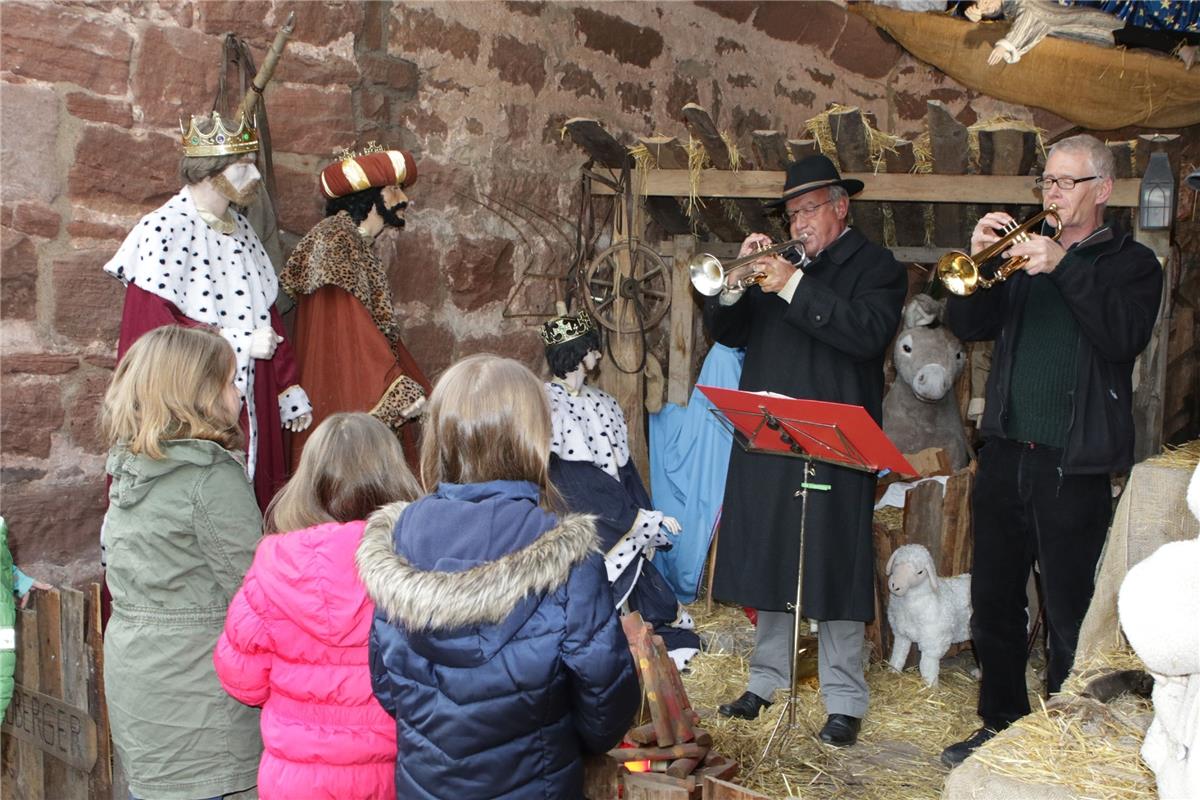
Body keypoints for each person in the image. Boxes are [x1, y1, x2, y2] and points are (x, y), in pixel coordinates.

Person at [940, 133, 1163, 767]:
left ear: (1104, 190)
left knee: (1069, 609)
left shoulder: (1131, 263)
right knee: (994, 603)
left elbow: (1122, 338)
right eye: (1048, 183)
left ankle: (1064, 738)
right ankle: (1001, 725)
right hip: (1008, 451)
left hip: (1075, 462)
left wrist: (1062, 265)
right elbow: (969, 326)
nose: (1053, 194)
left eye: (1067, 183)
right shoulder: (1019, 258)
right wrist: (983, 266)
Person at [357, 354, 640, 798]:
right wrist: (563, 742)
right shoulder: (569, 556)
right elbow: (606, 698)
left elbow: (386, 683)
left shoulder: (399, 540)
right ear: (533, 437)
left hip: (426, 784)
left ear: (442, 437)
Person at [708, 154, 907, 748]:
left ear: (840, 207)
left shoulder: (878, 267)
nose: (797, 224)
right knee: (772, 552)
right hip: (772, 434)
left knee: (835, 563)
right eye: (791, 213)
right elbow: (729, 334)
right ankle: (765, 679)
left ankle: (844, 698)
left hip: (837, 440)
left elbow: (866, 333)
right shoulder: (777, 269)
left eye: (808, 211)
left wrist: (792, 284)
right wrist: (737, 286)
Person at [102, 109, 312, 510]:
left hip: (254, 388)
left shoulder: (243, 230)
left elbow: (266, 312)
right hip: (190, 403)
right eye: (242, 165)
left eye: (252, 163)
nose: (254, 176)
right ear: (207, 171)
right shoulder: (162, 229)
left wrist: (287, 383)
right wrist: (238, 343)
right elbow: (154, 336)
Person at [214, 412, 420, 800]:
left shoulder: (272, 569)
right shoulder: (412, 568)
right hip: (392, 773)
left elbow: (241, 679)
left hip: (296, 781)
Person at [100, 325, 264, 799]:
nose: (240, 392)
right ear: (197, 393)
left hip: (143, 682)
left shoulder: (132, 468)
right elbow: (254, 591)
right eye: (231, 381)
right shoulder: (207, 478)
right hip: (199, 701)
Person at [541, 308, 701, 669]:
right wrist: (635, 518)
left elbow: (625, 471)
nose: (597, 356)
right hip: (580, 516)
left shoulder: (604, 403)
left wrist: (645, 515)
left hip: (616, 509)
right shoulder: (547, 404)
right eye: (593, 350)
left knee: (641, 586)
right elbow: (572, 479)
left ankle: (639, 645)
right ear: (579, 354)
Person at [279, 143, 431, 469]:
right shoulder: (335, 238)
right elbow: (347, 321)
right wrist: (395, 386)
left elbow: (376, 328)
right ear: (371, 195)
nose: (404, 199)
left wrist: (411, 378)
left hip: (359, 377)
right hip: (343, 384)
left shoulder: (356, 241)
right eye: (395, 190)